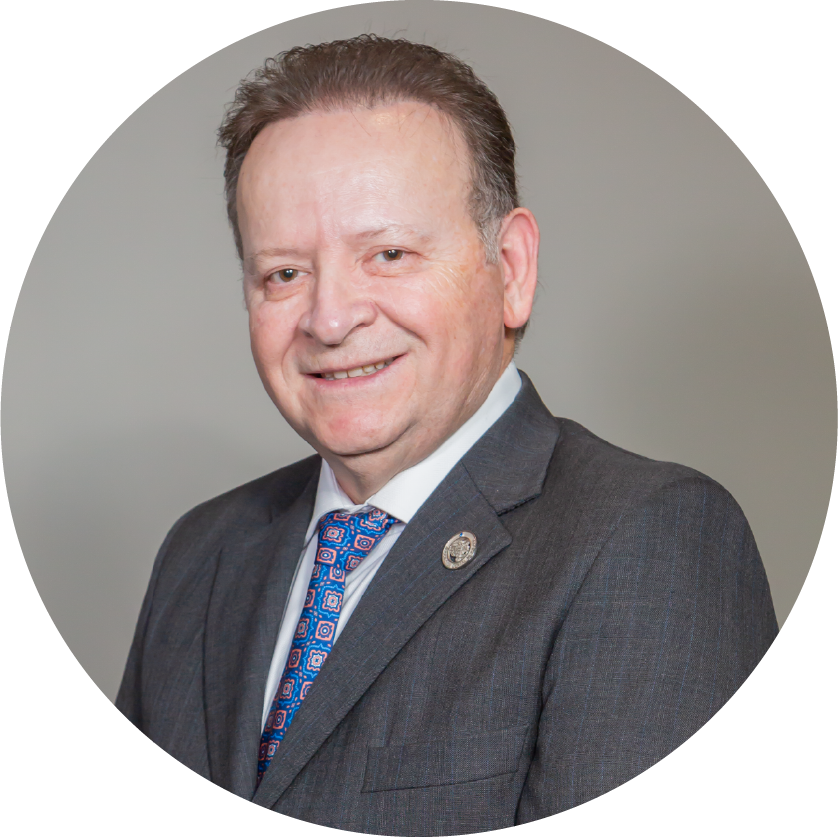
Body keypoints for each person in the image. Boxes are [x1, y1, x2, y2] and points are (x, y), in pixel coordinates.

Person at [116, 35, 778, 835]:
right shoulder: (201, 555)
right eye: (284, 272)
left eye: (389, 254)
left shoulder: (649, 541)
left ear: (512, 268)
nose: (330, 318)